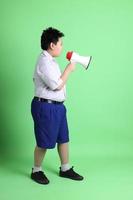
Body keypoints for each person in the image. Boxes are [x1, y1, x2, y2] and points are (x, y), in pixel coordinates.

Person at [30, 27, 84, 184]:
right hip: (45, 107)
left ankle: (65, 168)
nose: (62, 47)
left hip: (57, 107)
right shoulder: (44, 62)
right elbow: (56, 85)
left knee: (63, 138)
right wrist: (69, 69)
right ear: (52, 45)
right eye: (61, 44)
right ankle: (36, 170)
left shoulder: (51, 61)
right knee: (44, 141)